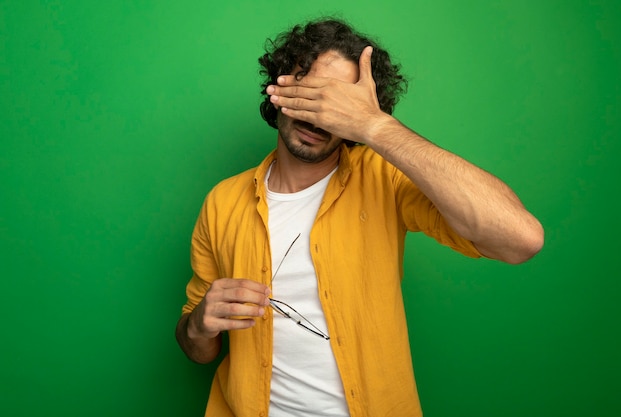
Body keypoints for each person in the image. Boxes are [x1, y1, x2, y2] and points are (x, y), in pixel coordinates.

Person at [175, 18, 544, 417]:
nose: (319, 116)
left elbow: (520, 239)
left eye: (339, 103)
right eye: (312, 91)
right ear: (280, 86)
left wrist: (374, 125)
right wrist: (198, 325)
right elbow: (197, 350)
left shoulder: (385, 178)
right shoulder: (222, 201)